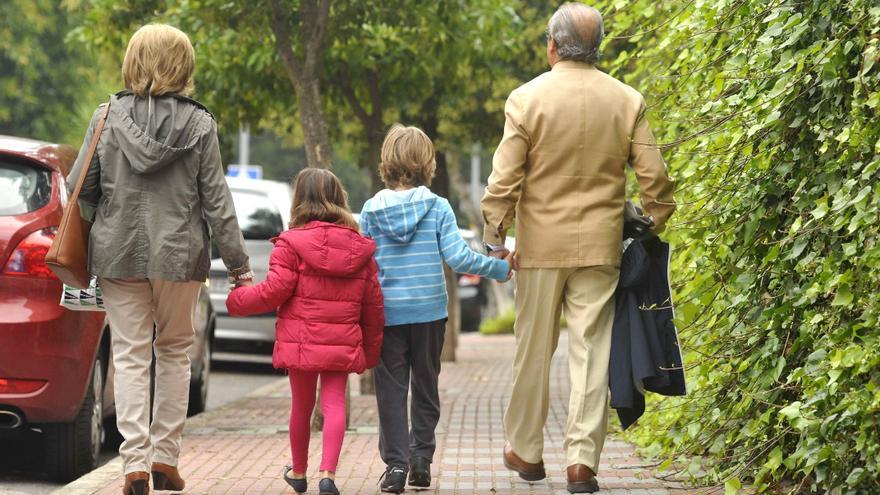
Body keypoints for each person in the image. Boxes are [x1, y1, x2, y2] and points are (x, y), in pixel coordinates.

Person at [480, 3, 677, 494]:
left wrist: (495, 237)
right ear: (599, 47)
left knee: (533, 351)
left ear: (551, 44)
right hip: (600, 248)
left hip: (541, 248)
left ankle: (526, 451)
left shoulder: (526, 100)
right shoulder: (626, 100)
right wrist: (646, 225)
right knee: (591, 352)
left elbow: (504, 180)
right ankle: (581, 462)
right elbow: (657, 182)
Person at [66, 24, 252, 495]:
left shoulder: (106, 117)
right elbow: (217, 201)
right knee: (173, 350)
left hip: (118, 250)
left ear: (133, 61)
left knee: (129, 354)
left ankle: (134, 464)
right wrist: (237, 264)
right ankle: (166, 457)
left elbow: (78, 188)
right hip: (179, 253)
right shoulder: (201, 124)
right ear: (182, 66)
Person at [359, 125, 512, 493]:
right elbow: (458, 257)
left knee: (391, 390)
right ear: (427, 162)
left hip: (388, 314)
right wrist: (500, 268)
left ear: (387, 161)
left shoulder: (371, 210)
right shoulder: (437, 206)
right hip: (429, 313)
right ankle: (421, 461)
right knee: (425, 386)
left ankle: (395, 466)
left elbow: (364, 264)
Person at [226, 168, 384, 495]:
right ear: (339, 198)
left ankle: (298, 472)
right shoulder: (360, 248)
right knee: (335, 403)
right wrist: (370, 352)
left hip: (302, 341)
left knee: (302, 405)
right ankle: (328, 473)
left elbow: (274, 290)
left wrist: (238, 299)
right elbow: (373, 306)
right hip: (341, 340)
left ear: (299, 199)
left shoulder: (291, 243)